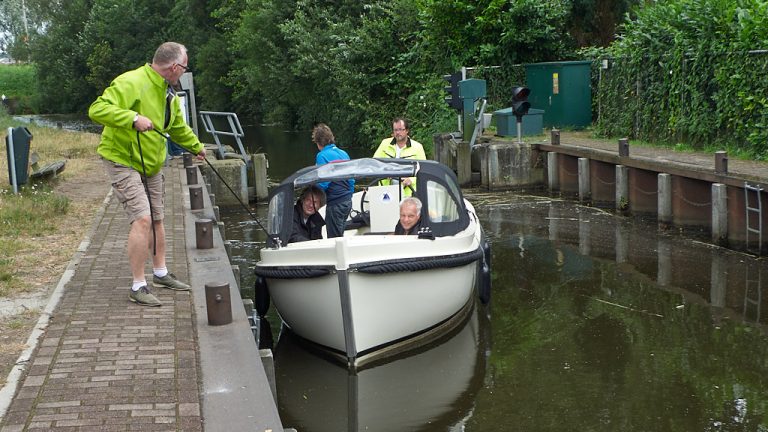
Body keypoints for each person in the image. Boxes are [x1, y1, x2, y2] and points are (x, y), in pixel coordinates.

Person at [88, 42, 206, 307]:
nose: (184, 71)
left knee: (157, 218)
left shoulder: (169, 94)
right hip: (121, 159)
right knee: (142, 218)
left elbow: (176, 128)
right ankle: (138, 285)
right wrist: (132, 118)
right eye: (185, 67)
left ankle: (161, 273)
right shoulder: (130, 82)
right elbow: (97, 109)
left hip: (150, 162)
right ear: (175, 67)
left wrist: (197, 147)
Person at [312, 123, 354, 238]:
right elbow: (351, 179)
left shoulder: (321, 156)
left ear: (318, 142)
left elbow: (323, 183)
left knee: (334, 238)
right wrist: (349, 195)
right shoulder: (343, 153)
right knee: (340, 232)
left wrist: (313, 194)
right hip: (347, 202)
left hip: (335, 203)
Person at [373, 117, 426, 196]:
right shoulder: (384, 144)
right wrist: (384, 172)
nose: (398, 132)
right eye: (395, 130)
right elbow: (374, 162)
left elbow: (423, 170)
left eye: (401, 129)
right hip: (386, 192)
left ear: (407, 131)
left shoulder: (417, 147)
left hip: (409, 193)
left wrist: (411, 180)